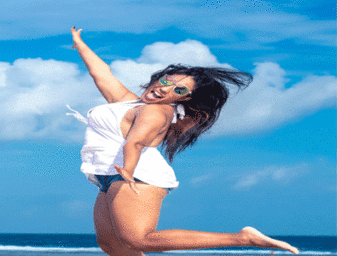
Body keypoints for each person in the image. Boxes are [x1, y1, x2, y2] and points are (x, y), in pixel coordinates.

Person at [68, 27, 299, 255]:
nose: (165, 88)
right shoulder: (132, 103)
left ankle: (243, 238)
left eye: (178, 89)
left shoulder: (157, 112)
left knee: (139, 239)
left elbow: (135, 143)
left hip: (134, 173)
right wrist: (80, 45)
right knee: (110, 243)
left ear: (185, 98)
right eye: (168, 80)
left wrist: (128, 169)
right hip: (110, 172)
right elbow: (102, 74)